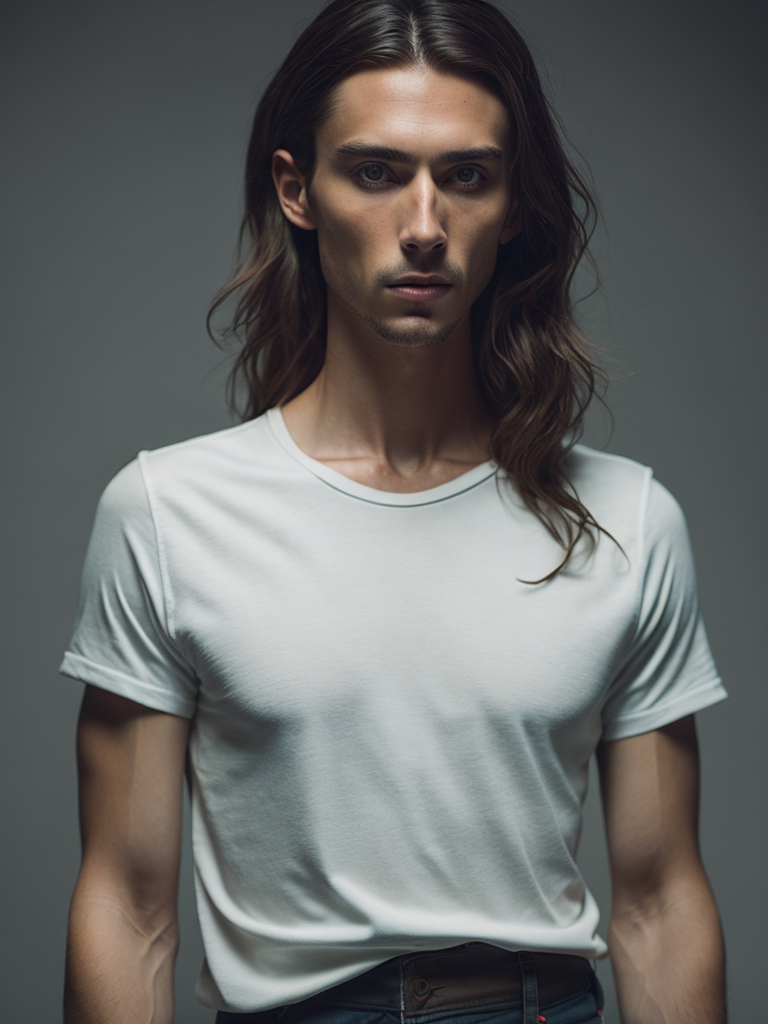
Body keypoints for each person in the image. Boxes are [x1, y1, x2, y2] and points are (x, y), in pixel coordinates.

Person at [59, 1, 729, 1022]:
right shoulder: (166, 512)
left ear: (510, 203)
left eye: (466, 176)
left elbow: (659, 900)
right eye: (377, 172)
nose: (424, 225)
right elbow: (128, 902)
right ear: (298, 190)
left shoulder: (629, 520)